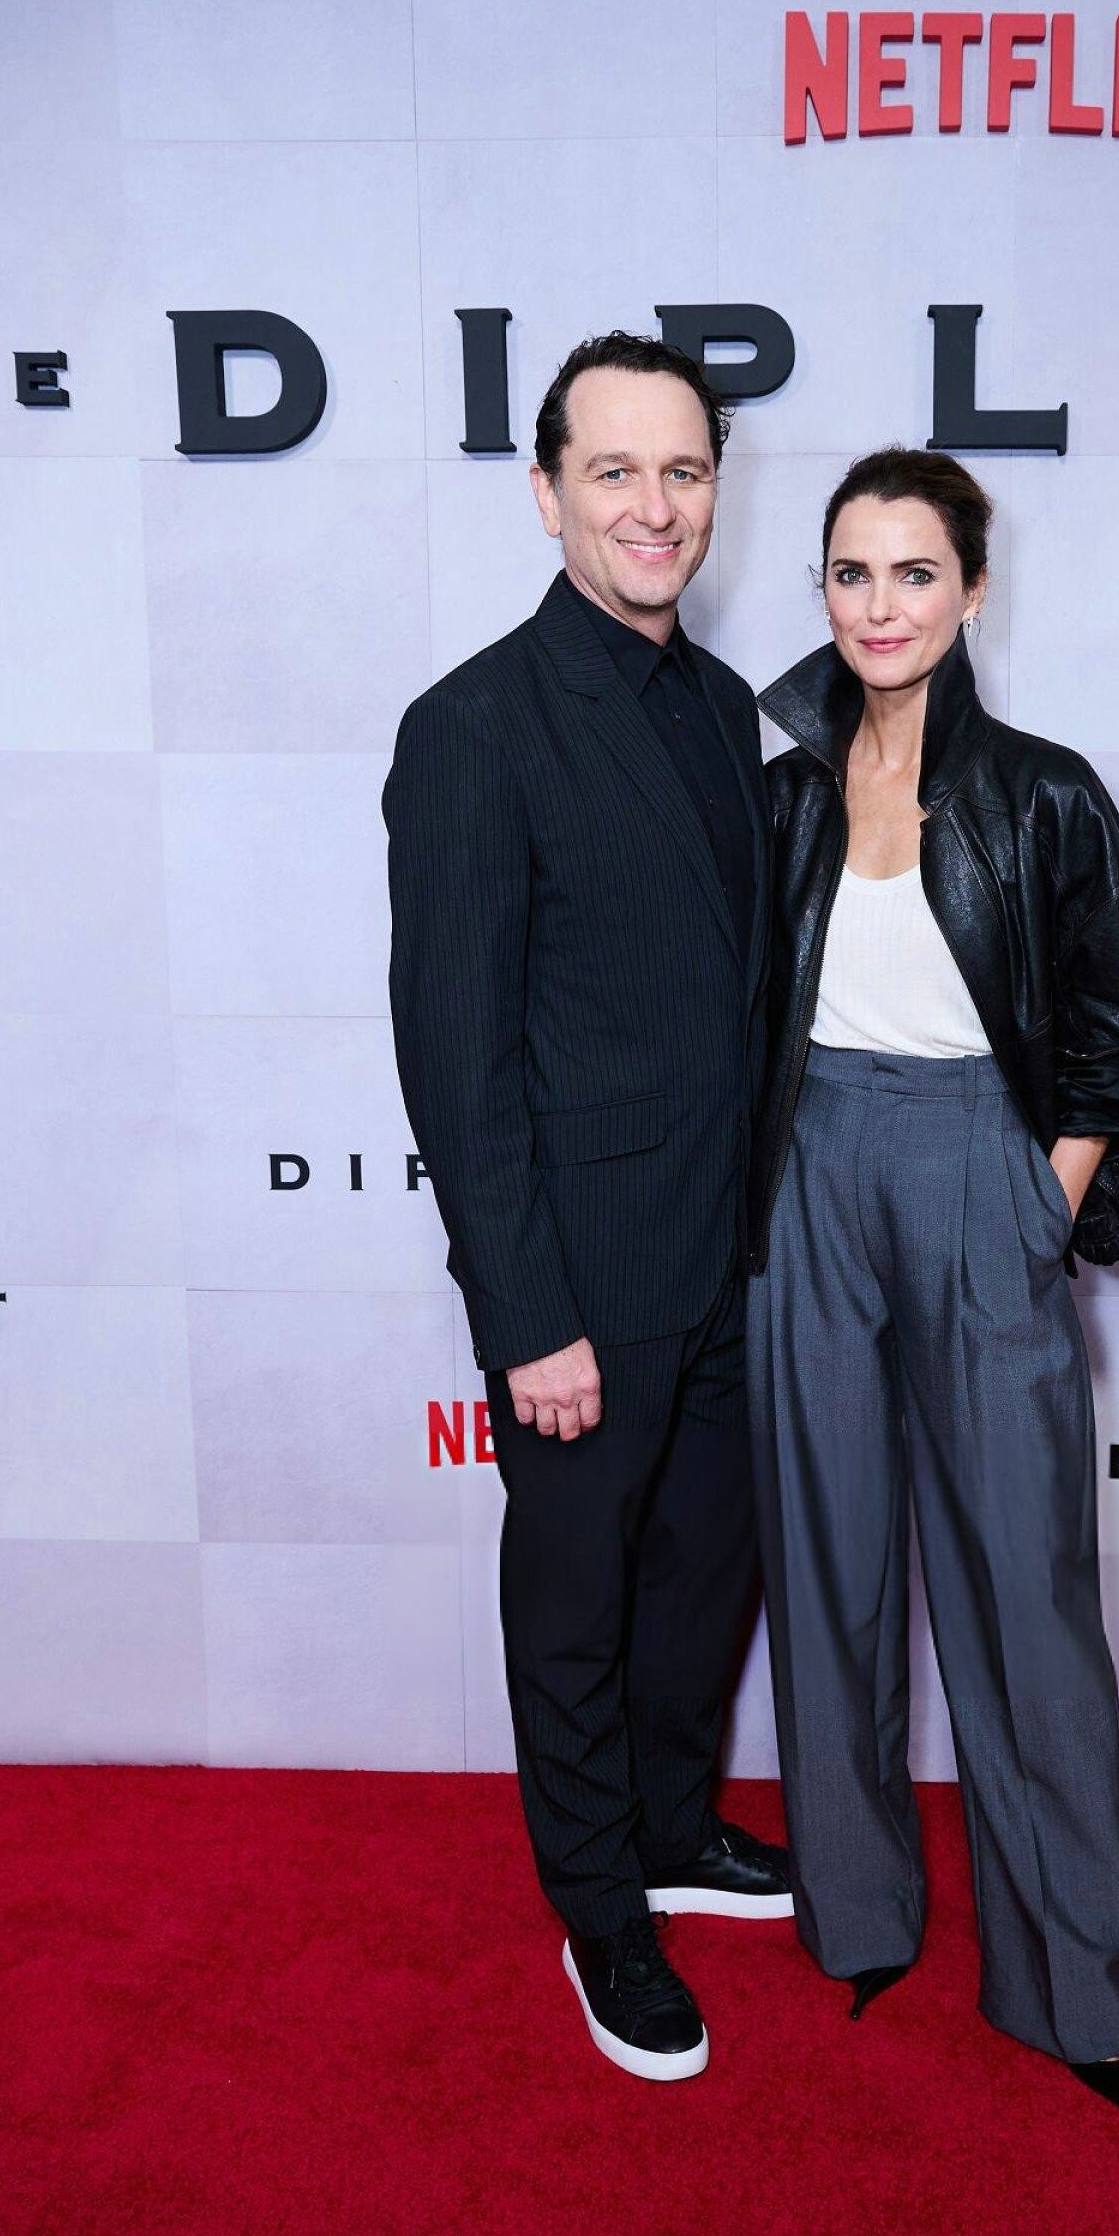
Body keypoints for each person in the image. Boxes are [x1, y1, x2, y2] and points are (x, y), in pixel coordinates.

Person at [746, 449, 1119, 2131]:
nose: (880, 606)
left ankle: (1070, 1981)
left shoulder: (1043, 792)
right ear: (822, 589)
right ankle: (858, 1917)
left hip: (976, 1171)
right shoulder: (785, 791)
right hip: (806, 1172)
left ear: (973, 589)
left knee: (1023, 1589)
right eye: (850, 573)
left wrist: (1040, 1197)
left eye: (914, 571)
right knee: (828, 1564)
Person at [383, 332, 790, 2086]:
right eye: (613, 470)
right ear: (545, 494)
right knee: (573, 1603)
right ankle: (600, 1906)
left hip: (732, 1257)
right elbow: (455, 1055)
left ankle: (673, 1823)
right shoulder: (473, 727)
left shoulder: (722, 704)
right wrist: (525, 1312)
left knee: (703, 1577)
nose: (654, 505)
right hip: (582, 1279)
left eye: (682, 470)